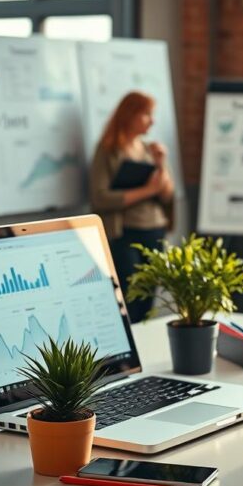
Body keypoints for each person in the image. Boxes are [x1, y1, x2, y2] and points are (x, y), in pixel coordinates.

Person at [89, 91, 175, 323]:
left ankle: (144, 349)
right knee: (129, 296)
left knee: (148, 298)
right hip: (125, 233)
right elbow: (100, 197)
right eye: (147, 114)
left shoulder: (149, 149)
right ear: (130, 115)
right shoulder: (108, 149)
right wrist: (146, 191)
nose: (152, 121)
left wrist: (160, 163)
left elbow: (167, 194)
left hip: (154, 229)